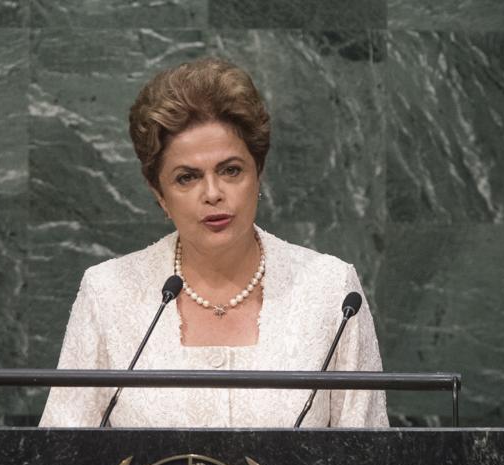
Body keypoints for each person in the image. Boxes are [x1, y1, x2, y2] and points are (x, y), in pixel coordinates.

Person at [39, 57, 388, 428]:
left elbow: (368, 464)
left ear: (259, 175)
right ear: (159, 194)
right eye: (187, 178)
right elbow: (61, 461)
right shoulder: (107, 292)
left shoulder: (331, 290)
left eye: (231, 170)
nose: (213, 193)